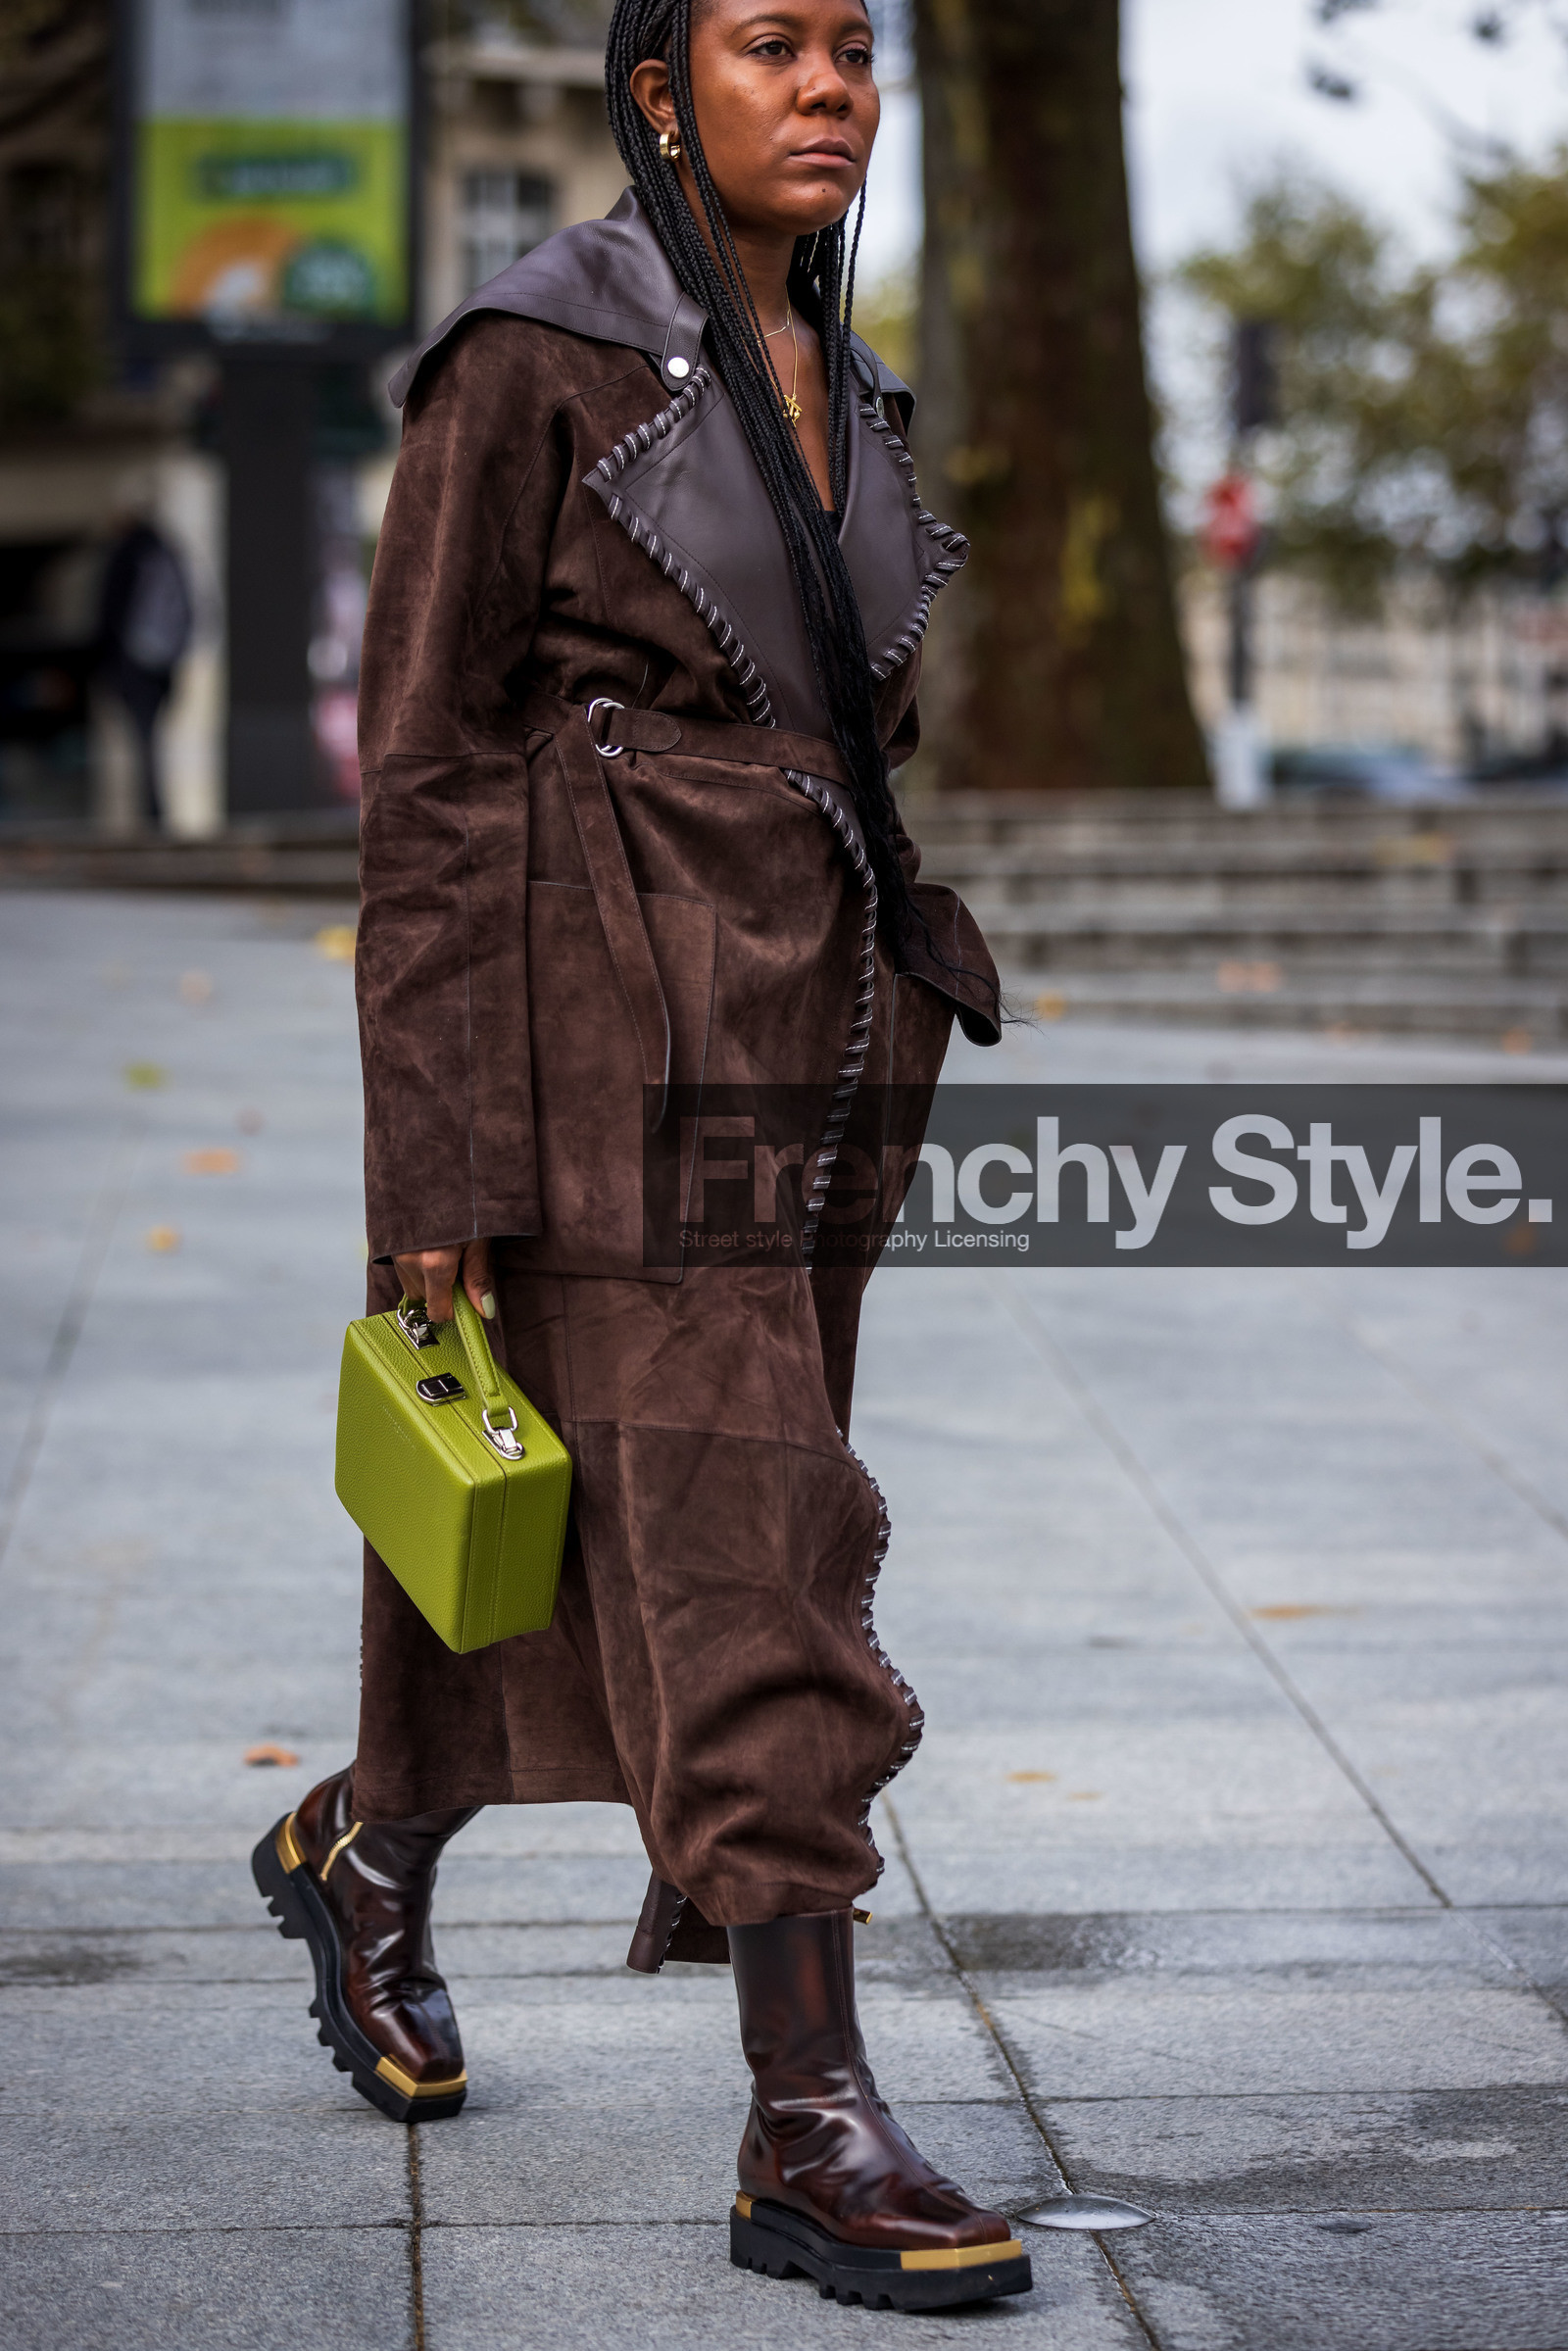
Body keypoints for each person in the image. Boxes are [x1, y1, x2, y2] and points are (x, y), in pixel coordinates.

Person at [252, 0, 1021, 2313]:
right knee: (748, 1513)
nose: (831, 85)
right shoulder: (530, 356)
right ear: (661, 88)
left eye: (856, 46)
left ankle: (364, 1845)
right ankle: (806, 2114)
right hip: (594, 1021)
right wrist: (439, 1158)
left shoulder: (851, 395)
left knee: (606, 1492)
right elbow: (424, 776)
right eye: (771, 42)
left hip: (800, 1035)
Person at [93, 514, 193, 830]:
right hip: (163, 664)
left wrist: (106, 664)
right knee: (149, 739)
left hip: (134, 663)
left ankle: (151, 813)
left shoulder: (126, 554)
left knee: (143, 741)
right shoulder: (167, 553)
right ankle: (153, 811)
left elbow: (109, 614)